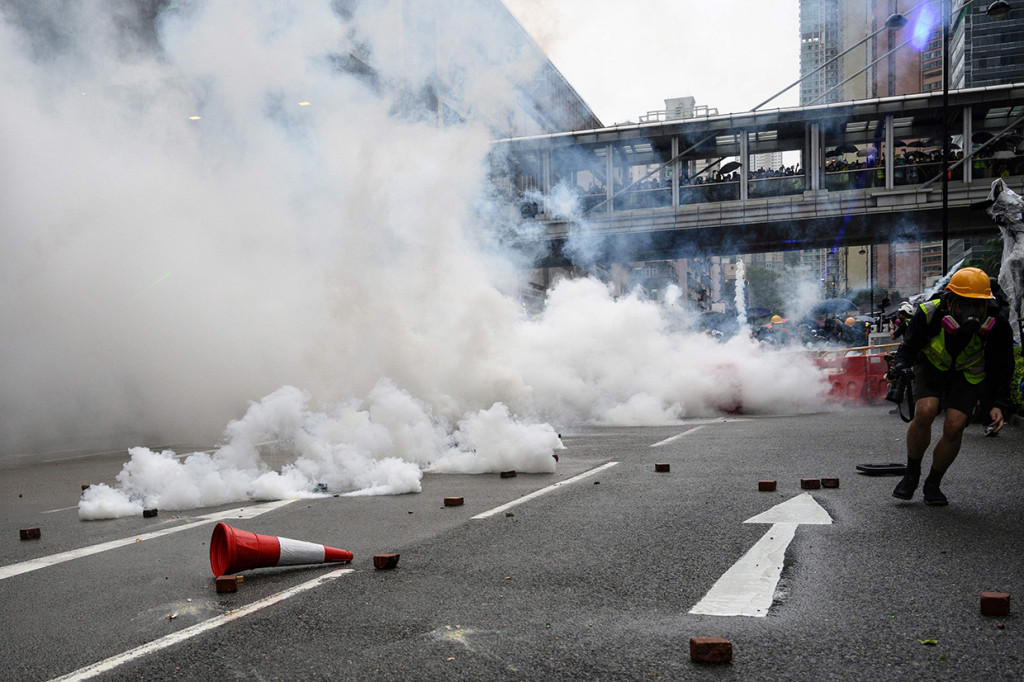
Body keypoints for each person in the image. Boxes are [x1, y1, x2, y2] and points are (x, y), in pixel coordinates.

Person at [889, 267, 1014, 505]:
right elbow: (908, 347)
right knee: (925, 411)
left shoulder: (997, 324)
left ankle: (933, 484)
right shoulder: (929, 313)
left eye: (978, 305)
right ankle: (911, 475)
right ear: (950, 300)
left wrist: (998, 403)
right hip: (932, 366)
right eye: (964, 303)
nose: (972, 311)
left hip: (968, 374)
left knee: (955, 425)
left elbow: (1003, 366)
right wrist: (902, 367)